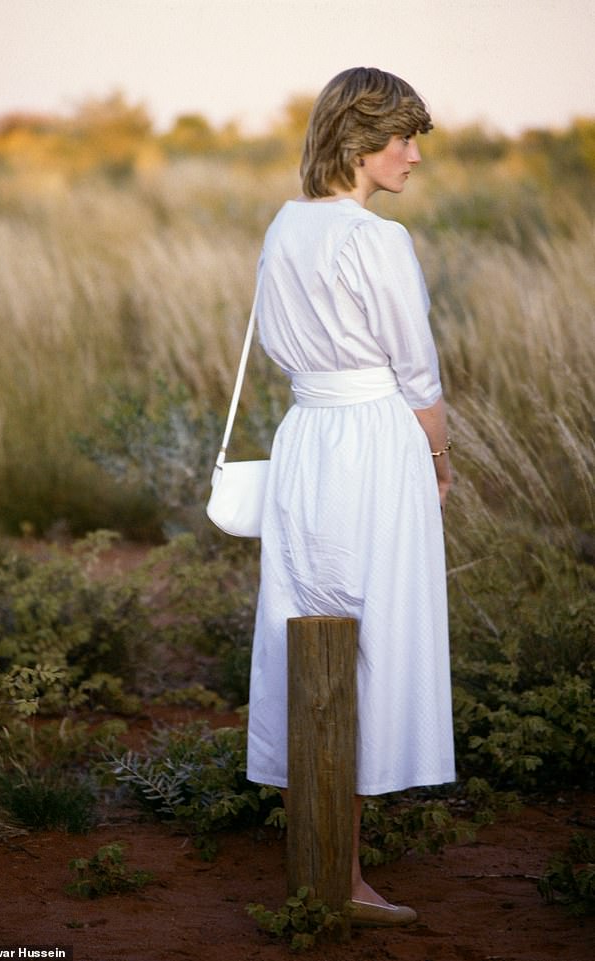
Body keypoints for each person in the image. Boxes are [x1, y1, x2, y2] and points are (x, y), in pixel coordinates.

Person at [246, 67, 456, 927]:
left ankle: (323, 863)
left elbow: (273, 341)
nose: (413, 155)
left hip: (305, 437)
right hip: (375, 439)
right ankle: (344, 877)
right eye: (402, 136)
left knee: (308, 624)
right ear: (359, 140)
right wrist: (439, 459)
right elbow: (418, 372)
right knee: (373, 637)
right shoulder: (379, 240)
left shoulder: (285, 225)